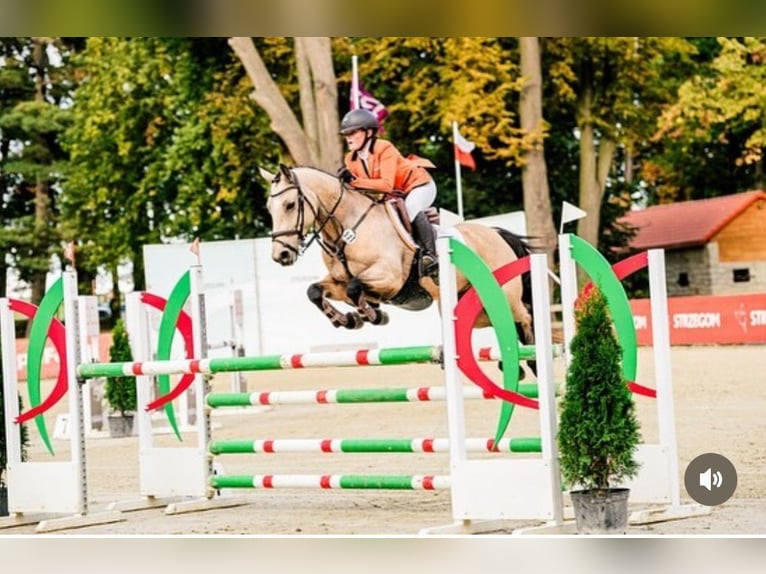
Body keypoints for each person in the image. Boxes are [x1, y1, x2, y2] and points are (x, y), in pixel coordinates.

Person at [338, 108, 439, 282]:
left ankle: (430, 256)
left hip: (418, 186)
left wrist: (354, 181)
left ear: (369, 132)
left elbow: (386, 185)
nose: (348, 137)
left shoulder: (384, 148)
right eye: (346, 133)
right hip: (394, 195)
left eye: (353, 132)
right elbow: (361, 190)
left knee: (411, 207)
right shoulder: (350, 159)